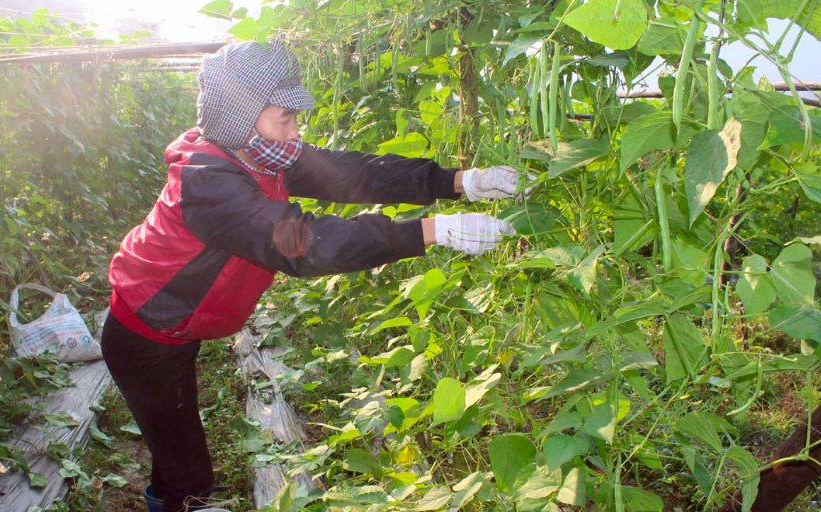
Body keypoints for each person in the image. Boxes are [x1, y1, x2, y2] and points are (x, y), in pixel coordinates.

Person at [101, 40, 531, 512]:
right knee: (188, 467)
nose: (294, 131)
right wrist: (430, 232)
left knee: (173, 439)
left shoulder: (258, 152)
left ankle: (164, 497)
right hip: (144, 337)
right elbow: (302, 245)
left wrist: (455, 182)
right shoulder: (209, 183)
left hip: (174, 330)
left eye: (294, 118)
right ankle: (177, 500)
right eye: (284, 118)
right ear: (242, 118)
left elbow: (352, 174)